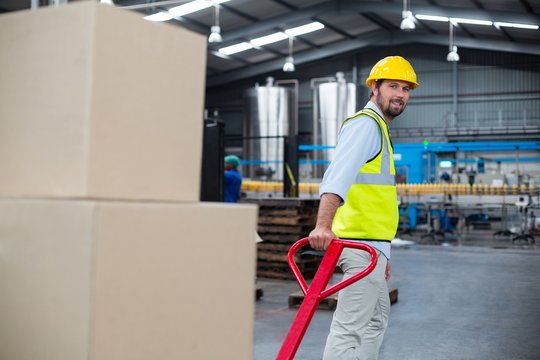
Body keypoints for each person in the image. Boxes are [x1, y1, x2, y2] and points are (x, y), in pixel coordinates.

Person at [308, 56, 419, 359]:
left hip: (372, 247)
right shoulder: (366, 125)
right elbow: (337, 177)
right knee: (350, 328)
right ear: (374, 88)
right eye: (393, 86)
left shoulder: (379, 128)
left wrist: (384, 251)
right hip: (360, 246)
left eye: (406, 89)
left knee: (375, 321)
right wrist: (322, 226)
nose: (400, 94)